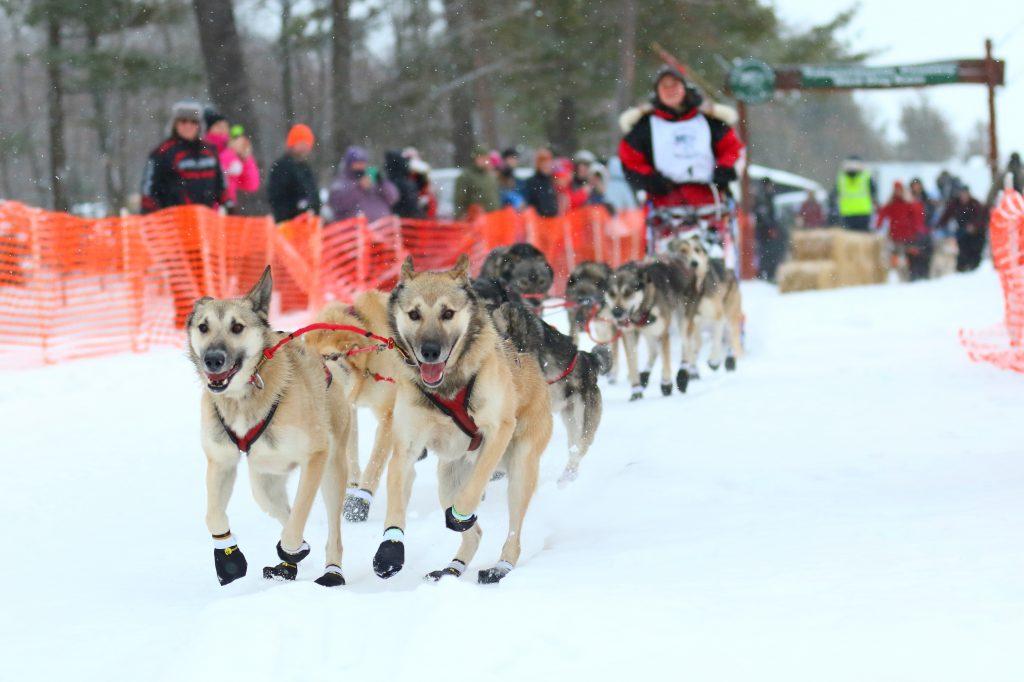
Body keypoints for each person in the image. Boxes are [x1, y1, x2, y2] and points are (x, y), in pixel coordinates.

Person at [618, 64, 744, 209]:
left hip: (710, 200)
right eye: (665, 86)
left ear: (684, 88)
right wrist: (650, 180)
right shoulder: (644, 127)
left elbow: (732, 148)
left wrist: (724, 170)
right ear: (657, 92)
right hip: (663, 204)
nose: (670, 90)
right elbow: (630, 158)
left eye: (674, 85)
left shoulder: (710, 121)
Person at [141, 100, 225, 214]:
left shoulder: (210, 150)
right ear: (175, 124)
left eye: (193, 122)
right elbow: (148, 190)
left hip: (206, 220)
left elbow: (222, 185)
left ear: (199, 125)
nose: (188, 126)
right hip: (173, 220)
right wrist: (152, 213)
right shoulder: (162, 152)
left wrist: (228, 205)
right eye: (183, 121)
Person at [204, 110, 259, 213]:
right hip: (209, 211)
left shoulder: (230, 151)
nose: (223, 130)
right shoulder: (205, 149)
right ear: (208, 130)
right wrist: (231, 152)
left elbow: (251, 185)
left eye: (225, 127)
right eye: (218, 126)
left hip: (228, 210)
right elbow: (218, 172)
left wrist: (246, 158)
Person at [876, 181, 930, 281]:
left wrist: (918, 230)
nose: (898, 192)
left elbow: (917, 218)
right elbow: (882, 214)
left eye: (899, 190)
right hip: (896, 236)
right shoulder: (892, 204)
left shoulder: (910, 204)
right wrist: (878, 225)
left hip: (908, 236)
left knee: (908, 258)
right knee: (898, 259)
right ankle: (901, 277)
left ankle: (910, 277)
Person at [328, 146, 399, 223]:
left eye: (363, 162)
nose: (362, 166)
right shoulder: (341, 182)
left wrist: (381, 182)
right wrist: (359, 187)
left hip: (382, 229)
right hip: (355, 231)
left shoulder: (372, 179)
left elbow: (393, 197)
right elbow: (338, 204)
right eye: (358, 163)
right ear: (349, 164)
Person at [266, 123, 321, 223]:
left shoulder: (306, 168)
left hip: (308, 226)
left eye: (307, 144)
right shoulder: (281, 166)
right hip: (288, 226)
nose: (305, 148)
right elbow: (276, 197)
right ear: (292, 144)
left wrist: (313, 210)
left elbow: (314, 196)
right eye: (301, 143)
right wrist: (297, 210)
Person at [938, 185, 987, 272]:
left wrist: (974, 226)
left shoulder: (975, 204)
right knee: (962, 250)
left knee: (975, 250)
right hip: (962, 232)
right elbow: (946, 216)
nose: (964, 196)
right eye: (962, 194)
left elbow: (982, 218)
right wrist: (939, 225)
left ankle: (974, 269)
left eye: (965, 194)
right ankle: (962, 269)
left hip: (976, 234)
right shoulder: (955, 204)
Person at [453, 146, 500, 219]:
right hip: (475, 219)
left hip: (492, 218)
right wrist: (461, 216)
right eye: (480, 158)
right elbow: (460, 200)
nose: (483, 160)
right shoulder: (466, 176)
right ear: (474, 159)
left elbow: (495, 197)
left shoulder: (490, 176)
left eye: (485, 158)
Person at [834, 155, 876, 232]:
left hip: (847, 212)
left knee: (848, 239)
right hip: (863, 211)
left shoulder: (841, 177)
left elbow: (835, 193)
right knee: (863, 237)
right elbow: (874, 191)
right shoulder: (866, 176)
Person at [754, 178, 784, 281]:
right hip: (765, 231)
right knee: (767, 252)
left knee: (769, 252)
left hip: (768, 230)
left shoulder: (768, 197)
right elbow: (764, 216)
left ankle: (769, 273)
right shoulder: (763, 198)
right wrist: (770, 228)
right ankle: (766, 274)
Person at [385, 150, 423, 218]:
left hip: (392, 221)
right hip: (408, 223)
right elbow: (412, 207)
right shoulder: (407, 183)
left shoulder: (386, 182)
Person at [523, 147, 559, 217]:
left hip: (554, 222)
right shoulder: (531, 182)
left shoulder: (553, 180)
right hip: (538, 222)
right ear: (538, 164)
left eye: (548, 163)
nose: (546, 165)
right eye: (543, 163)